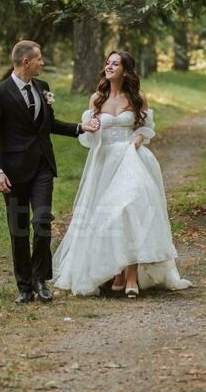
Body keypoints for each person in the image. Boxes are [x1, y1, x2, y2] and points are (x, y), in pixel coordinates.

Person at [53, 50, 193, 298]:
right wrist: (92, 128)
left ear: (126, 70)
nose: (109, 67)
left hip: (132, 160)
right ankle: (114, 271)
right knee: (107, 217)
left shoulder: (138, 97)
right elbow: (89, 137)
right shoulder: (97, 99)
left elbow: (146, 129)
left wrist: (138, 139)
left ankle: (131, 277)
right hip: (105, 163)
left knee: (131, 211)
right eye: (107, 62)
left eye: (115, 64)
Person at [0, 40, 100, 304]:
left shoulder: (42, 88)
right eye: (39, 59)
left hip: (42, 168)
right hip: (12, 173)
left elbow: (49, 124)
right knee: (19, 229)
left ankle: (40, 279)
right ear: (26, 62)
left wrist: (81, 128)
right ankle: (24, 286)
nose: (42, 63)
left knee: (42, 222)